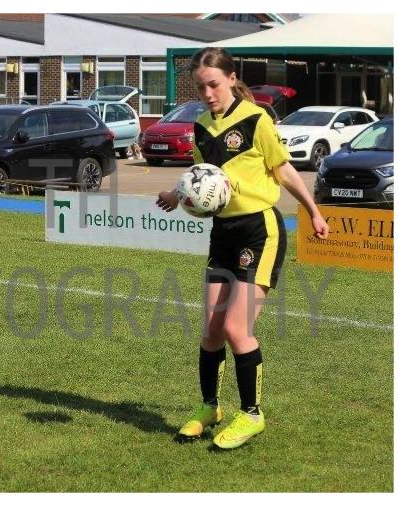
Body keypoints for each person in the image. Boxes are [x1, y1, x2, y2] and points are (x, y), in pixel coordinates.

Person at [156, 47, 329, 450]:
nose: (208, 94)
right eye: (200, 87)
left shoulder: (256, 119)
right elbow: (203, 177)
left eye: (214, 85)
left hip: (259, 231)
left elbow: (283, 170)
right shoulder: (201, 125)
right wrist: (175, 195)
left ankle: (251, 414)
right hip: (223, 232)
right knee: (212, 330)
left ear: (232, 79)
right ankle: (209, 407)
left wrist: (314, 212)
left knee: (237, 329)